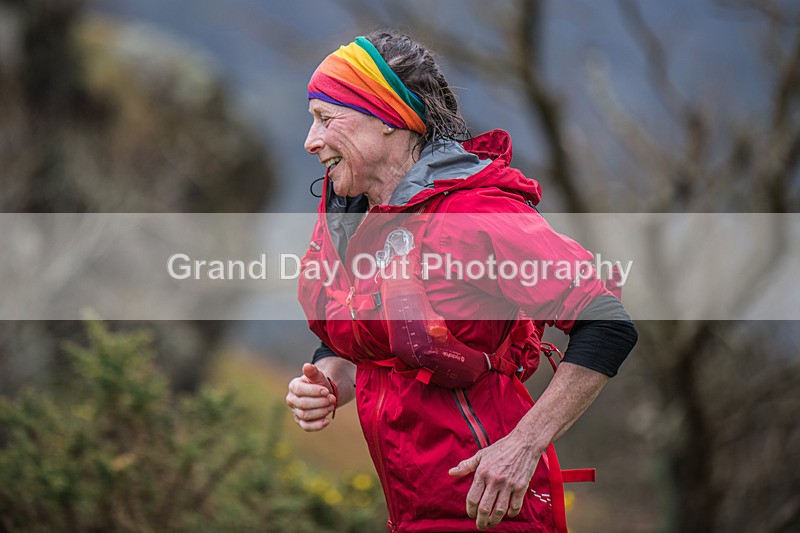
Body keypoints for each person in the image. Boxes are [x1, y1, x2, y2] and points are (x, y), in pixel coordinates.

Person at [286, 30, 638, 532]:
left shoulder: (476, 213)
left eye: (325, 118)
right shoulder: (351, 213)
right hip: (411, 513)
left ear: (389, 119)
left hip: (496, 510)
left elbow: (606, 324)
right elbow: (356, 340)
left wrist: (523, 445)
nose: (310, 140)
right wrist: (331, 379)